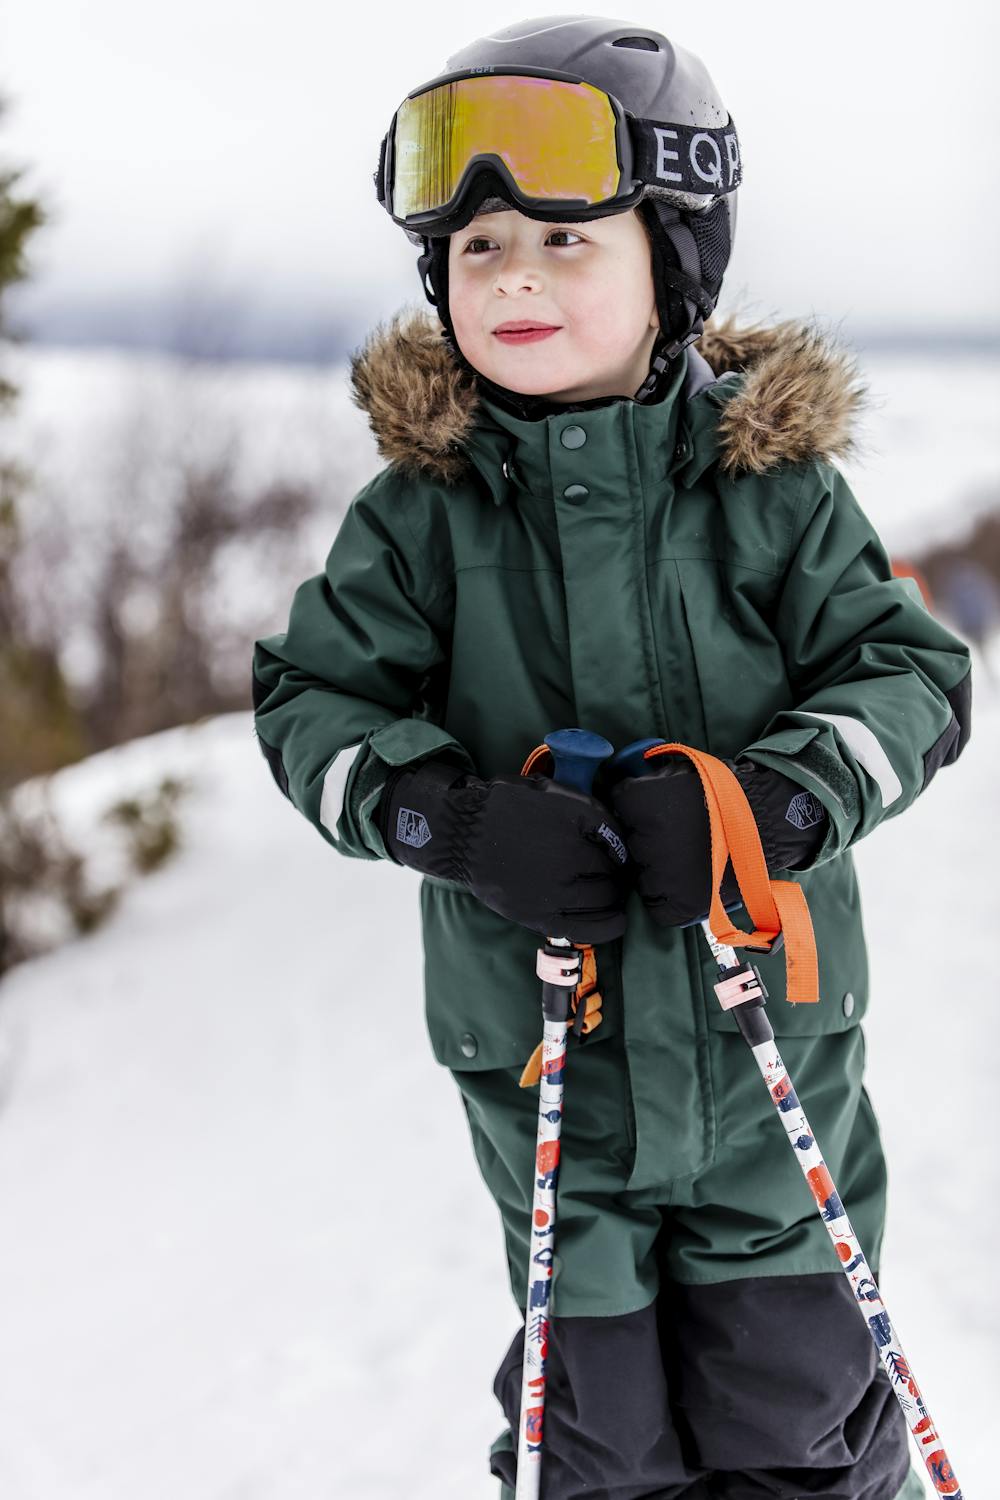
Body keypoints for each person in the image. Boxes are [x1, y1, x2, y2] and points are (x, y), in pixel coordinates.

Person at [251, 17, 971, 1499]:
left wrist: (775, 804)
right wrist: (445, 820)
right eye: (478, 247)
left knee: (796, 1420)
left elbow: (911, 677)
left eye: (566, 240)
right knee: (597, 1442)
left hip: (767, 1063)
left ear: (677, 258)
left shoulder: (770, 490)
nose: (513, 277)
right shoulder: (425, 514)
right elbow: (311, 704)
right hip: (547, 1078)